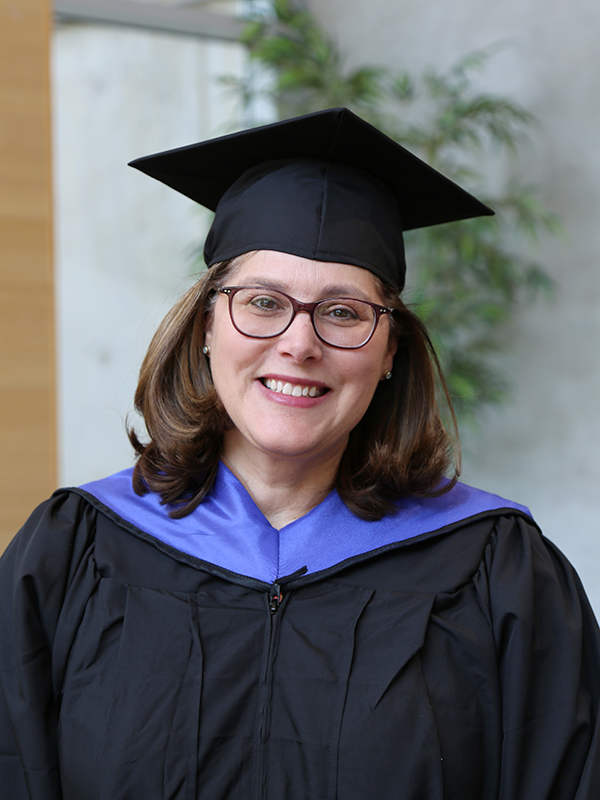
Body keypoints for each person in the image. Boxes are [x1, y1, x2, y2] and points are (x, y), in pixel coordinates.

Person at [0, 107, 598, 800]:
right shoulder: (74, 555)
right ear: (205, 326)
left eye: (343, 312)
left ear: (390, 353)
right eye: (262, 302)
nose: (299, 343)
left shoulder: (499, 574)